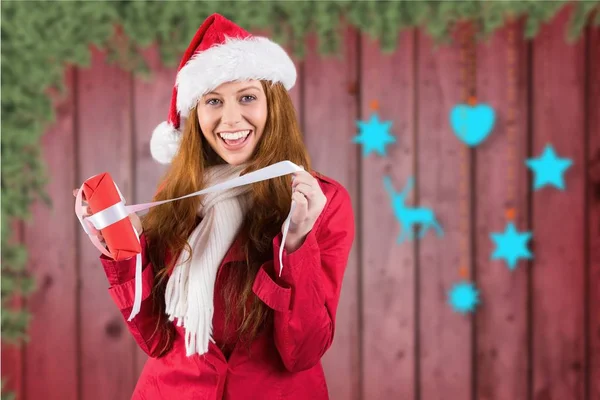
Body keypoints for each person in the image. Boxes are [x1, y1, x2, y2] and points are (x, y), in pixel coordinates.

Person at [74, 13, 354, 400]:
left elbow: (302, 351)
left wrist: (296, 244)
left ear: (273, 105)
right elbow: (156, 339)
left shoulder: (320, 202)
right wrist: (125, 251)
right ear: (196, 116)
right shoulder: (177, 201)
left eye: (248, 97)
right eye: (213, 101)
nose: (230, 118)